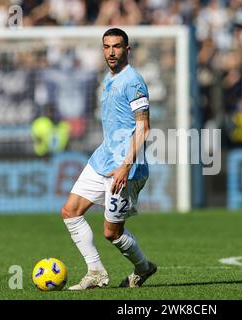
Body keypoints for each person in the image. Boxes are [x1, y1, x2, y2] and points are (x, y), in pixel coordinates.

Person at [61, 28, 156, 290]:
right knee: (70, 211)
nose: (111, 52)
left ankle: (144, 267)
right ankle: (96, 272)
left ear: (127, 49)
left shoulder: (134, 81)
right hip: (103, 158)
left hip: (125, 166)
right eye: (106, 47)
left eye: (116, 46)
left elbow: (143, 128)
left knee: (111, 233)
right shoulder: (109, 77)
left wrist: (125, 166)